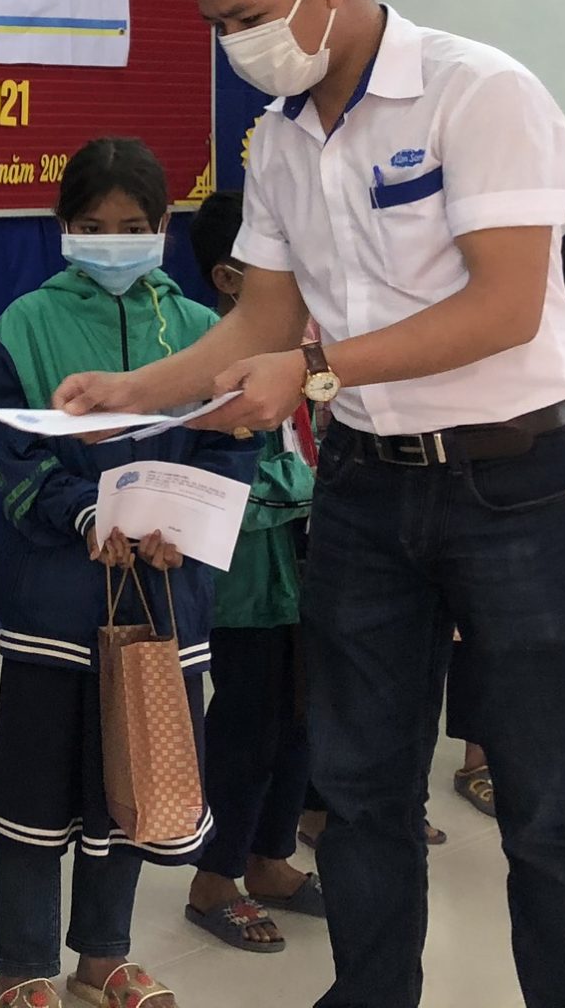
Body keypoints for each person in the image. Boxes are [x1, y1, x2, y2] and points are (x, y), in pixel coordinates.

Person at [58, 0, 565, 1008]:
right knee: (359, 791)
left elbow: (504, 307)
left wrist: (312, 371)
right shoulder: (278, 140)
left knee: (542, 799)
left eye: (245, 17)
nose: (233, 44)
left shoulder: (477, 93)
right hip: (363, 489)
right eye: (214, 26)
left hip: (511, 481)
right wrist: (137, 389)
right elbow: (261, 315)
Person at [0, 142, 257, 1008]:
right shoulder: (24, 323)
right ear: (63, 227)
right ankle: (21, 967)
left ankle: (104, 958)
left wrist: (185, 524)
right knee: (34, 788)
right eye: (93, 226)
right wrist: (86, 514)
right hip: (56, 600)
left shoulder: (205, 331)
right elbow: (11, 454)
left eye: (133, 227)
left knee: (138, 775)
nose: (114, 241)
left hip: (167, 596)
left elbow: (232, 444)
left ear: (164, 225)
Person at [179, 189, 325, 958]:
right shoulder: (211, 356)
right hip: (245, 573)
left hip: (306, 561)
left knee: (301, 714)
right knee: (247, 723)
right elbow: (228, 473)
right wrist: (315, 486)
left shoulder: (300, 351)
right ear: (230, 278)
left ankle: (271, 857)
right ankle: (216, 875)